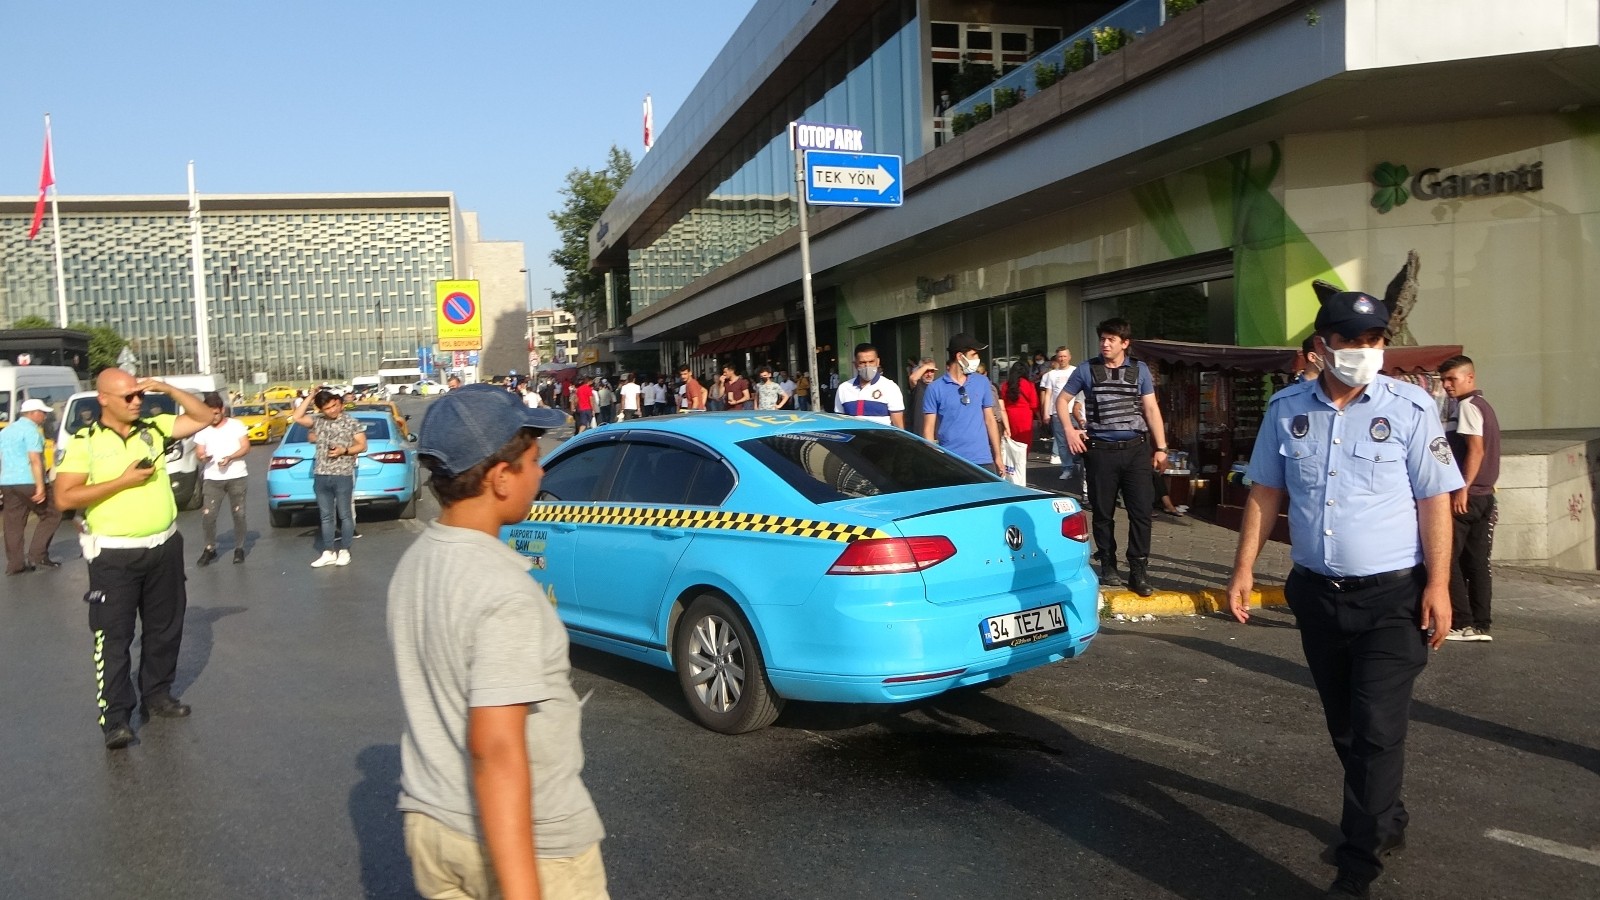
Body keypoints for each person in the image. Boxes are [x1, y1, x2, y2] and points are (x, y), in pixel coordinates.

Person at [1227, 290, 1462, 900]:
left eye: (1374, 340)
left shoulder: (1411, 408)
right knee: (1346, 728)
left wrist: (1438, 586)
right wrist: (1243, 570)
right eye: (1351, 341)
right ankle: (1387, 819)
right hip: (1317, 595)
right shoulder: (1286, 409)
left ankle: (1358, 863)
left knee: (1379, 728)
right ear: (1322, 345)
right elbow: (1264, 494)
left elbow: (1434, 501)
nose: (1364, 352)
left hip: (1393, 598)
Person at [389, 385, 607, 900]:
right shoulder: (502, 588)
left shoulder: (418, 561)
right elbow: (497, 748)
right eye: (533, 459)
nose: (543, 472)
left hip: (433, 826)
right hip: (528, 843)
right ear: (501, 478)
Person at [54, 370, 212, 750]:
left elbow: (204, 417)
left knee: (165, 628)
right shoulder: (85, 442)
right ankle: (116, 718)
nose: (136, 401)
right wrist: (123, 482)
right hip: (113, 557)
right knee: (114, 637)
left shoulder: (155, 427)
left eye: (139, 394)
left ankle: (157, 694)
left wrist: (166, 388)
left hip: (164, 547)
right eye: (127, 397)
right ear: (103, 398)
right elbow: (64, 498)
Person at [1058, 319, 1169, 596]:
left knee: (1142, 512)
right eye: (1102, 339)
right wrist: (1071, 431)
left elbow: (1151, 409)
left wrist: (1162, 447)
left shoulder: (1139, 370)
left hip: (1136, 450)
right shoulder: (1087, 369)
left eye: (1111, 340)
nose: (1105, 344)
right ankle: (1108, 564)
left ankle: (1139, 570)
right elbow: (1062, 401)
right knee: (1103, 513)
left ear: (1124, 343)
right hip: (1100, 452)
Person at [1440, 355, 1501, 643]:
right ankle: (1480, 623)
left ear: (1470, 378)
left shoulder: (1467, 407)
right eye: (1444, 380)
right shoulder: (1484, 407)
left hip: (1467, 497)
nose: (1447, 385)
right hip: (1485, 496)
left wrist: (1463, 487)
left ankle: (1461, 623)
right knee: (1477, 562)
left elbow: (1475, 449)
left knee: (1446, 558)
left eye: (1452, 379)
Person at [292, 389, 367, 569]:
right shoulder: (318, 421)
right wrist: (310, 396)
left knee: (345, 514)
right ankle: (328, 551)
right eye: (327, 408)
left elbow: (363, 445)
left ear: (340, 404)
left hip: (342, 474)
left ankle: (344, 550)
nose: (332, 410)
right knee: (326, 516)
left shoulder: (351, 422)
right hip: (321, 474)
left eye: (335, 405)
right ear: (321, 409)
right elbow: (296, 417)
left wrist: (344, 451)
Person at [922, 333, 1003, 474]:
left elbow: (990, 420)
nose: (977, 359)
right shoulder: (935, 388)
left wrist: (998, 456)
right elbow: (928, 430)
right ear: (960, 357)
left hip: (982, 459)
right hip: (951, 461)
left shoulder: (982, 382)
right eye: (974, 354)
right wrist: (933, 461)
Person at [1, 398, 63, 574]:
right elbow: (35, 460)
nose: (44, 416)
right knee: (53, 513)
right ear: (32, 413)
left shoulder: (6, 431)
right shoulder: (32, 431)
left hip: (8, 481)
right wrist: (41, 486)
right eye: (42, 413)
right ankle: (38, 555)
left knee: (13, 523)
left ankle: (15, 564)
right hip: (28, 480)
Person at [192, 393, 250, 566]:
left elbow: (246, 447)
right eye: (210, 414)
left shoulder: (236, 425)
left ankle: (239, 548)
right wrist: (203, 457)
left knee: (239, 513)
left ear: (222, 410)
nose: (213, 418)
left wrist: (230, 457)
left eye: (216, 414)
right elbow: (199, 452)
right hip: (212, 477)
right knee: (208, 515)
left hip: (237, 475)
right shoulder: (203, 428)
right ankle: (209, 548)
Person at [1040, 347, 1083, 486]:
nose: (1062, 359)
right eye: (1060, 356)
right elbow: (1048, 395)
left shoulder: (1076, 371)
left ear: (1069, 357)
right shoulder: (1051, 374)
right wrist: (1046, 413)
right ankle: (1067, 468)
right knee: (1062, 443)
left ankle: (1078, 463)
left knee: (1078, 440)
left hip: (1075, 412)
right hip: (1058, 413)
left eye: (1064, 356)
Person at [835, 343, 905, 427]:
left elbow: (898, 426)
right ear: (855, 364)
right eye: (862, 362)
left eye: (871, 361)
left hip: (880, 439)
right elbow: (840, 422)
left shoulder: (890, 387)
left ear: (878, 362)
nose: (867, 366)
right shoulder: (844, 388)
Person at [1000, 363, 1039, 486]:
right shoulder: (1029, 385)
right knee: (1023, 447)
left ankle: (1011, 470)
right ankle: (1020, 472)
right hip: (1025, 417)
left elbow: (1002, 403)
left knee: (1010, 446)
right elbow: (1034, 404)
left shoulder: (1005, 385)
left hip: (1010, 416)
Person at [904, 360, 937, 438]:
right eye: (926, 371)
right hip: (917, 433)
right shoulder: (917, 385)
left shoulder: (937, 387)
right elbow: (912, 378)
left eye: (932, 371)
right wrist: (925, 367)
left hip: (934, 434)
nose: (929, 374)